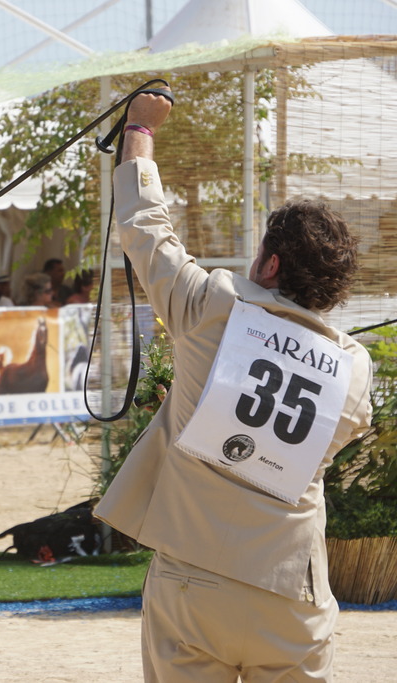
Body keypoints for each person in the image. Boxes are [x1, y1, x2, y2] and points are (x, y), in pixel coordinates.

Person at [93, 89, 373, 681]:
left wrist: (140, 126)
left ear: (270, 266)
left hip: (193, 579)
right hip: (290, 589)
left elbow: (145, 226)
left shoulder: (212, 306)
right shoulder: (354, 369)